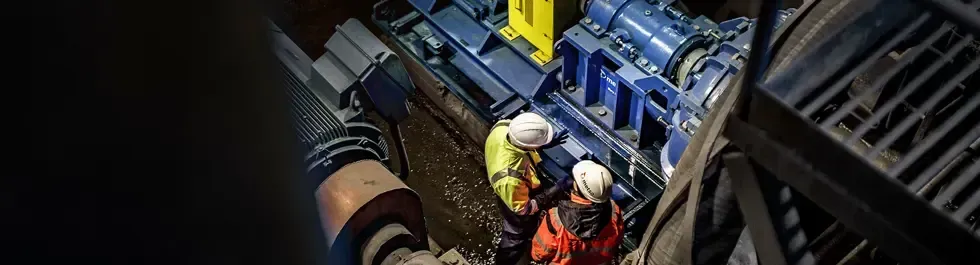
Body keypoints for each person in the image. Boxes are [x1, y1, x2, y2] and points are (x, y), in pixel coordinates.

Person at [485, 112, 571, 265]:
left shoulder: (502, 127)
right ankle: (504, 261)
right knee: (515, 235)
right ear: (528, 146)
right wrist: (556, 189)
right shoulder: (509, 179)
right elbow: (525, 209)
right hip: (515, 204)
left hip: (513, 190)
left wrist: (542, 145)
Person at [531, 160, 624, 265]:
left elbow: (538, 253)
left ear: (578, 187)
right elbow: (617, 240)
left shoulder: (556, 219)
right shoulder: (614, 211)